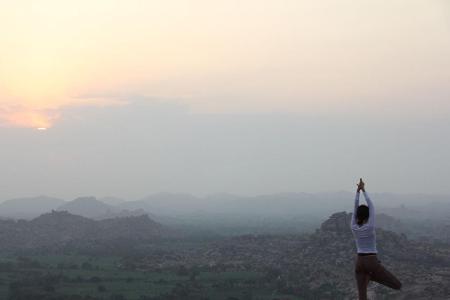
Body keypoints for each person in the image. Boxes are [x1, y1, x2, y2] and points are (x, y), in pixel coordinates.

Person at [351, 178, 402, 300]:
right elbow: (371, 206)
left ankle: (369, 276)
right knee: (397, 285)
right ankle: (372, 277)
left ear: (357, 215)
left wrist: (357, 192)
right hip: (371, 262)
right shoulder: (370, 226)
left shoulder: (353, 226)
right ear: (368, 216)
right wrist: (363, 190)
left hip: (359, 262)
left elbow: (354, 208)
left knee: (362, 297)